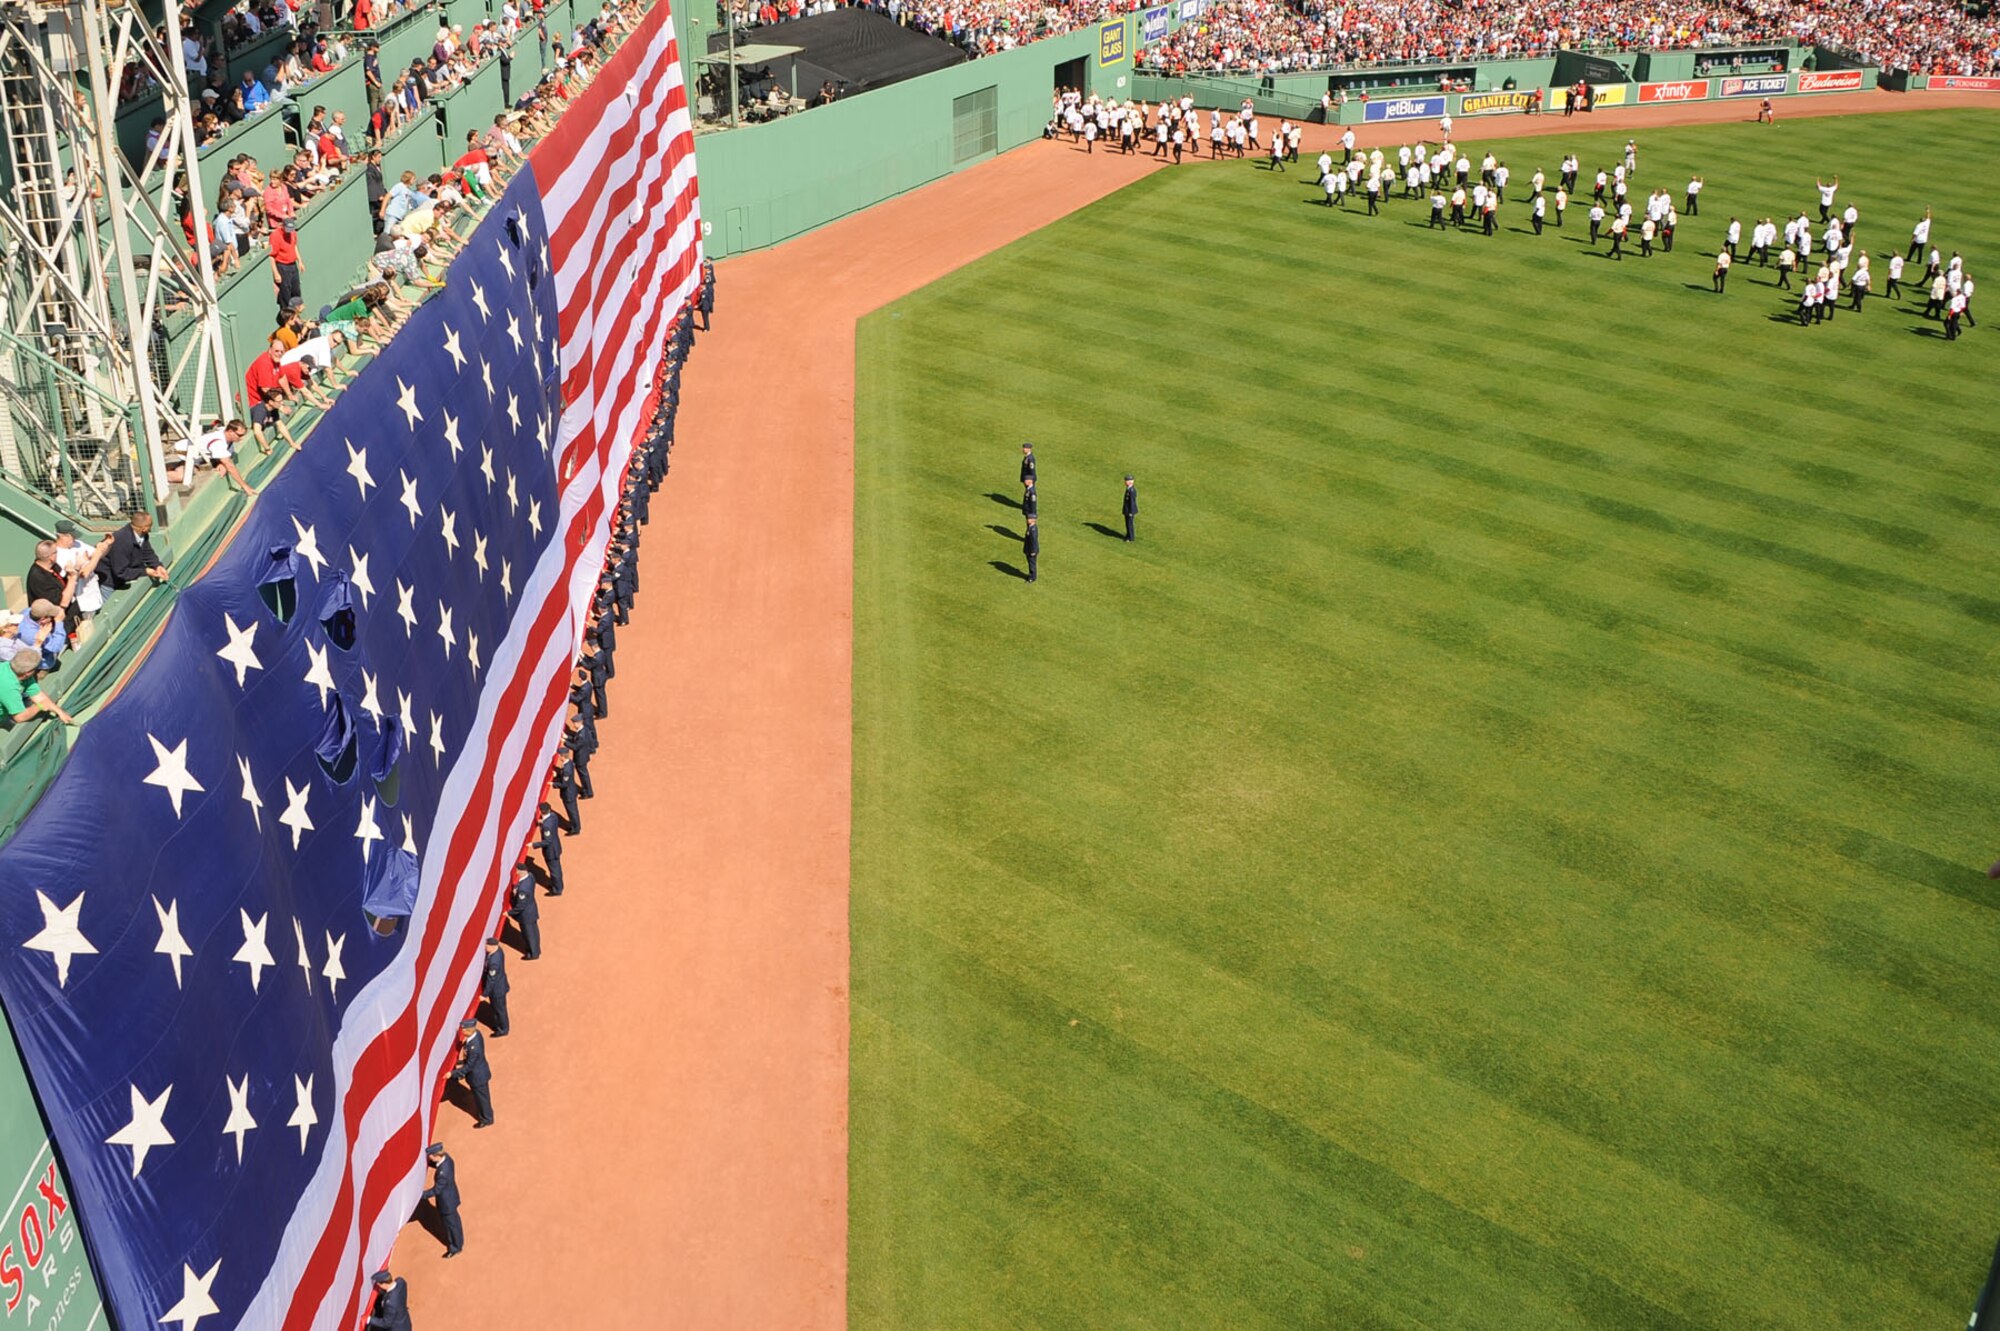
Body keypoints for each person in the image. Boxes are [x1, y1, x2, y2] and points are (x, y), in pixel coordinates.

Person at [105, 512, 167, 590]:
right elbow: (120, 572)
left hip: (122, 576)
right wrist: (145, 571)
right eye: (150, 526)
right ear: (144, 528)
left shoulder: (142, 535)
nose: (151, 528)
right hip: (108, 582)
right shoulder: (122, 541)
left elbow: (147, 553)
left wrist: (157, 566)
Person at [422, 1143, 463, 1257]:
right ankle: (457, 1243)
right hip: (451, 1198)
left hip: (447, 1203)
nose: (429, 1157)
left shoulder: (443, 1173)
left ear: (436, 1155)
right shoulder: (447, 1159)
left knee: (451, 1226)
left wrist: (422, 1195)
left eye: (430, 1156)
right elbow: (438, 1165)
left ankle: (455, 1247)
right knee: (454, 1223)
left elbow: (436, 1190)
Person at [451, 1018, 493, 1126]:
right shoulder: (476, 1034)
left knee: (482, 1099)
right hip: (479, 1073)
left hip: (478, 1077)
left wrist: (453, 1074)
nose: (462, 1032)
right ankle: (486, 1116)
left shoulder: (474, 1047)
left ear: (469, 1030)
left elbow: (470, 1065)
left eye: (464, 1030)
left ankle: (486, 1119)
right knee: (482, 1097)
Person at [508, 868, 541, 960]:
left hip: (525, 915)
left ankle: (533, 953)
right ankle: (536, 950)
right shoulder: (530, 876)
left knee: (529, 935)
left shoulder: (522, 889)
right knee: (534, 932)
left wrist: (510, 913)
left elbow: (520, 906)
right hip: (531, 911)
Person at [481, 936, 510, 1037]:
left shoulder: (494, 962)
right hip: (500, 985)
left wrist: (485, 994)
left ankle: (503, 1029)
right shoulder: (498, 951)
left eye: (487, 946)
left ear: (493, 947)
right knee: (497, 1008)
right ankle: (498, 1024)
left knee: (500, 1010)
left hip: (497, 990)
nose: (485, 947)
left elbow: (491, 980)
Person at [1121, 475, 1137, 542]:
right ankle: (1128, 535)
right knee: (1127, 523)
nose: (1125, 482)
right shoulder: (1128, 489)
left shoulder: (1132, 490)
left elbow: (1132, 502)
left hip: (1130, 511)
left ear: (1130, 482)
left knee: (1130, 524)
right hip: (1127, 510)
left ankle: (1131, 538)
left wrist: (1131, 512)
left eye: (1126, 481)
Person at [1023, 515, 1039, 584]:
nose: (1027, 519)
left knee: (1032, 564)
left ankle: (1032, 577)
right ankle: (1031, 575)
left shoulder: (1033, 529)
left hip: (1032, 550)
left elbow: (1034, 541)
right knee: (1030, 563)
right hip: (1029, 549)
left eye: (1029, 518)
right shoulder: (1031, 527)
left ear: (1033, 520)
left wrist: (1033, 551)